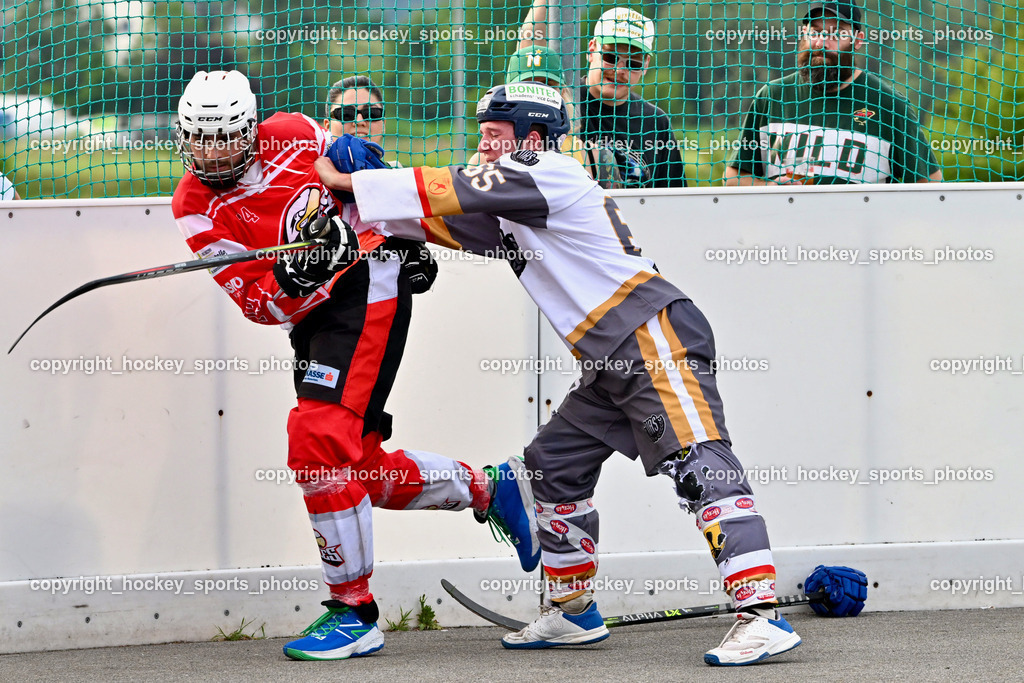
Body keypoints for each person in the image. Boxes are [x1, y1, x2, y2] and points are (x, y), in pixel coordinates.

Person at [316, 83, 801, 666]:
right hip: (609, 355)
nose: (482, 146)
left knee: (700, 464)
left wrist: (342, 176)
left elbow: (452, 188)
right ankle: (573, 613)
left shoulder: (550, 170)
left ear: (533, 139)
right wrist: (356, 218)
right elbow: (438, 218)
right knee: (552, 470)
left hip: (652, 334)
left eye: (495, 136)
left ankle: (761, 614)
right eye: (481, 134)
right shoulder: (513, 202)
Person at [170, 70, 539, 662]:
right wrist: (297, 272)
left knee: (316, 438)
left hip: (368, 280)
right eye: (200, 139)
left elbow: (356, 184)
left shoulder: (293, 133)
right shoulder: (192, 205)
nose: (213, 153)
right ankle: (492, 489)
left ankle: (354, 610)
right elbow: (256, 302)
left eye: (226, 138)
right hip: (311, 317)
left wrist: (394, 220)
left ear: (252, 128)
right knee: (358, 469)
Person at [724, 0, 942, 185]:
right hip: (784, 232)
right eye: (816, 32)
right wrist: (769, 189)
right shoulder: (772, 97)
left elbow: (930, 185)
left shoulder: (889, 104)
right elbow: (733, 177)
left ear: (857, 40)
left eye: (836, 33)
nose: (822, 43)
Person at [515, 4, 687, 188]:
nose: (619, 70)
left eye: (633, 63)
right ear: (591, 50)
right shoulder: (562, 101)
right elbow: (530, 51)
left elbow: (673, 198)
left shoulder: (655, 121)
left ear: (645, 65)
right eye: (611, 57)